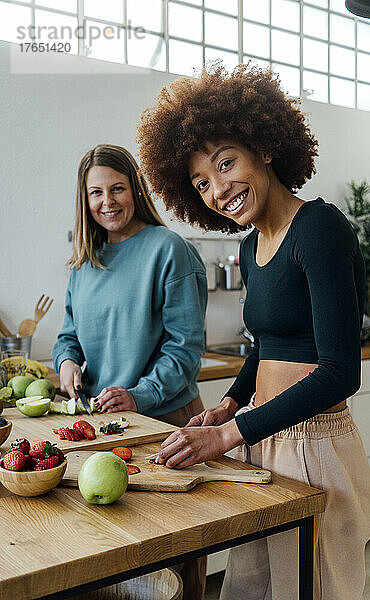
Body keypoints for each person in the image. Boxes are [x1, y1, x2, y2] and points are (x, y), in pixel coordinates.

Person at [137, 64, 370, 600]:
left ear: (263, 147)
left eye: (227, 163)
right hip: (259, 437)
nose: (219, 189)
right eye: (201, 182)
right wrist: (229, 405)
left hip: (315, 447)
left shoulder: (319, 227)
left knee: (312, 588)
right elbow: (265, 345)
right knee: (249, 589)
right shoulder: (250, 245)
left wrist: (224, 435)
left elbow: (340, 372)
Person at [52, 144, 208, 600]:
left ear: (135, 189)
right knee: (117, 552)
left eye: (117, 188)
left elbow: (186, 349)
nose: (108, 201)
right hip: (104, 430)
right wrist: (65, 364)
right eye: (96, 192)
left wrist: (140, 395)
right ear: (85, 200)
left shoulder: (169, 250)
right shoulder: (84, 263)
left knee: (176, 556)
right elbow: (69, 336)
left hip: (167, 426)